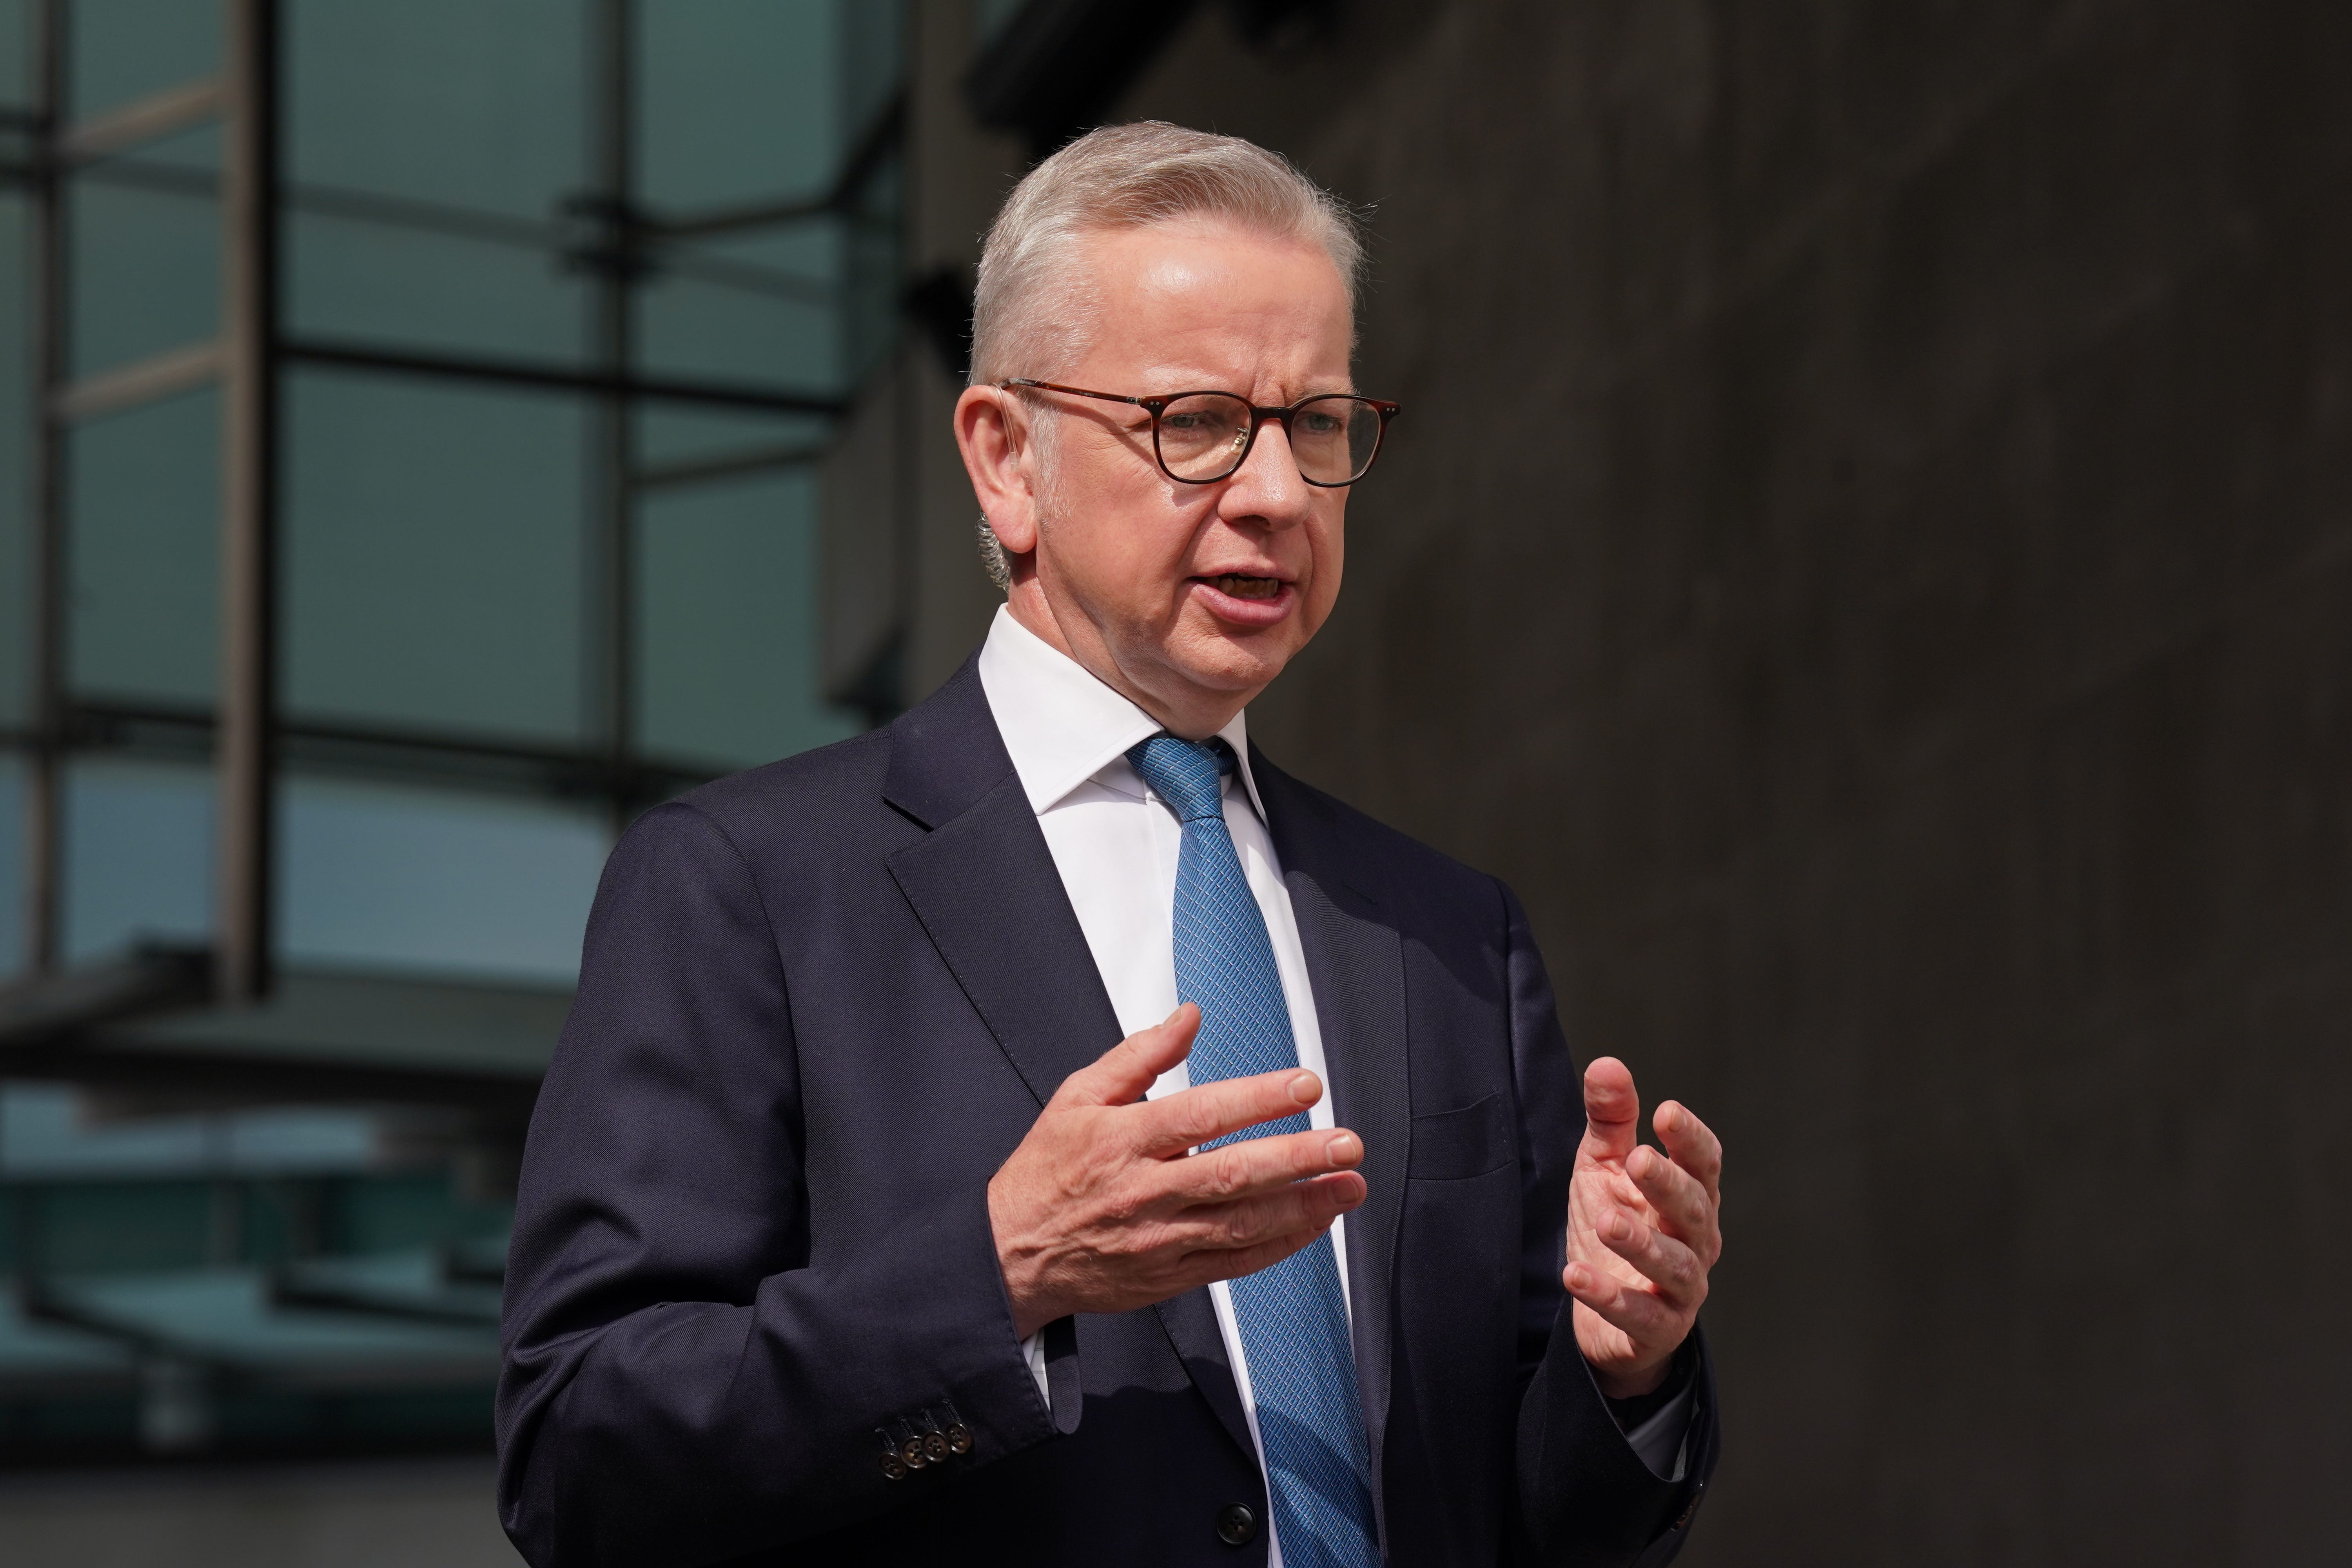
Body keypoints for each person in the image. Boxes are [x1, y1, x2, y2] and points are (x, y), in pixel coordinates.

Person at [498, 121, 1724, 1568]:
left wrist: (1624, 1366)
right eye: (1195, 421)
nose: (1275, 492)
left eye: (1319, 425)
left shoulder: (1447, 929)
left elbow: (1522, 1515)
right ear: (1006, 458)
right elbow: (581, 1461)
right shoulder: (749, 887)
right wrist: (998, 1273)